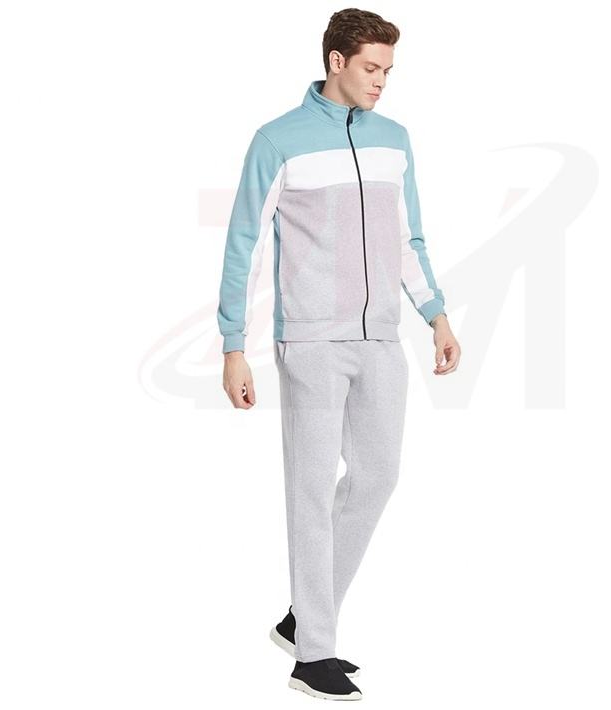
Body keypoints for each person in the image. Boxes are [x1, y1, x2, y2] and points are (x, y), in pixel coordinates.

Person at [217, 8, 461, 701]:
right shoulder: (278, 141)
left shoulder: (394, 141)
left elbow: (409, 240)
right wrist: (234, 346)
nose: (382, 81)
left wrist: (436, 315)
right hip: (311, 341)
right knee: (310, 487)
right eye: (371, 68)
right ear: (336, 62)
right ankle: (313, 654)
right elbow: (243, 244)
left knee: (378, 475)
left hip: (381, 336)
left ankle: (304, 617)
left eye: (389, 71)